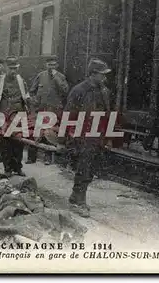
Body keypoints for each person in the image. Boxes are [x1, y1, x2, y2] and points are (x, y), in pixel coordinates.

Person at [0, 174, 87, 244]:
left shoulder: (20, 191)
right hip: (15, 210)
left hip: (34, 209)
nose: (5, 185)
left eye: (7, 182)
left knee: (61, 214)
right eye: (1, 184)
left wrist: (17, 188)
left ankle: (72, 233)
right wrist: (2, 191)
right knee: (31, 221)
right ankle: (55, 236)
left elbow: (30, 181)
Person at [64, 58, 112, 218]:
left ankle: (75, 197)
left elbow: (107, 114)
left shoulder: (104, 91)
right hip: (82, 135)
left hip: (97, 135)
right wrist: (71, 137)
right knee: (83, 168)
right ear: (92, 74)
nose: (104, 78)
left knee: (91, 168)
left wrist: (108, 136)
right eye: (102, 74)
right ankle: (78, 201)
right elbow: (69, 114)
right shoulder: (79, 90)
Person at [0, 56, 31, 176]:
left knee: (19, 143)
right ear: (6, 68)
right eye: (11, 68)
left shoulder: (21, 81)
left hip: (19, 116)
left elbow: (27, 97)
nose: (13, 71)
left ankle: (17, 167)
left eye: (15, 68)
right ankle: (7, 168)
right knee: (5, 144)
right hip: (4, 117)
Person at [26, 56, 69, 165]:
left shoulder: (61, 77)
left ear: (57, 66)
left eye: (53, 65)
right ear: (46, 65)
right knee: (35, 132)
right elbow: (32, 91)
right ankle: (31, 157)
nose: (51, 67)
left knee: (49, 133)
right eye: (49, 65)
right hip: (40, 109)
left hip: (54, 111)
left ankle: (47, 158)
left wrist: (57, 78)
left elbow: (65, 91)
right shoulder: (41, 76)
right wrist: (35, 102)